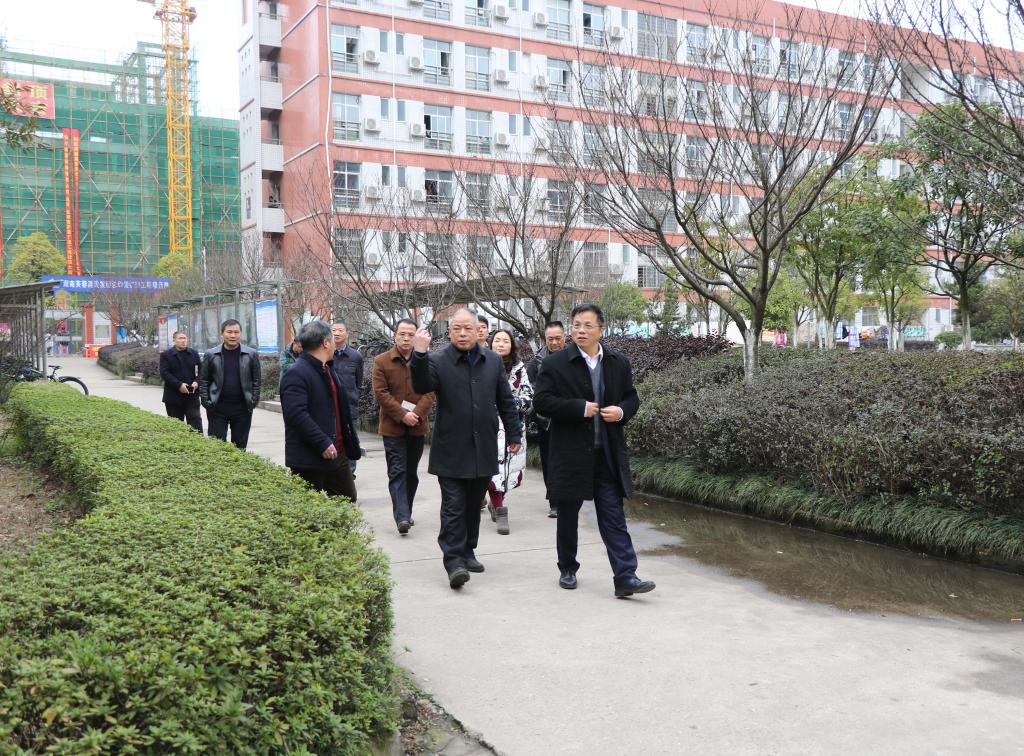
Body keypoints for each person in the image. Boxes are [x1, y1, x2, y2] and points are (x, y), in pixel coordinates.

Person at [534, 303, 655, 599]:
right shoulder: (555, 364)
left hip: (606, 454)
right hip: (571, 454)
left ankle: (625, 576)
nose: (581, 330)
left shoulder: (617, 362)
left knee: (613, 515)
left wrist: (622, 411)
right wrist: (578, 408)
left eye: (588, 325)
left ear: (602, 329)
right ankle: (567, 567)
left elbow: (632, 398)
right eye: (576, 325)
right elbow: (542, 402)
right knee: (568, 514)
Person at [411, 308, 522, 590]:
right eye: (456, 329)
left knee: (473, 505)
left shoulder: (492, 361)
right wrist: (420, 354)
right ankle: (454, 562)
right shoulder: (437, 360)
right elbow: (421, 385)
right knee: (453, 506)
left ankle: (468, 550)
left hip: (483, 446)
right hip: (451, 448)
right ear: (449, 331)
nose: (462, 334)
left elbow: (505, 400)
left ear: (479, 331)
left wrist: (514, 433)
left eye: (467, 328)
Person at [280, 320, 360, 500]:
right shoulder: (297, 372)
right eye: (331, 338)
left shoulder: (327, 368)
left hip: (337, 452)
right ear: (325, 343)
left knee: (346, 499)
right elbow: (296, 414)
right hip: (310, 455)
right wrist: (322, 442)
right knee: (309, 508)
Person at [373, 318, 435, 535]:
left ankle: (405, 509)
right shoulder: (382, 361)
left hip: (417, 426)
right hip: (392, 427)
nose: (406, 338)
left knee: (411, 473)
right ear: (395, 335)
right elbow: (381, 393)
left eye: (410, 334)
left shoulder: (426, 361)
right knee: (397, 471)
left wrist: (415, 414)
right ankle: (402, 516)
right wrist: (402, 414)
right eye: (402, 334)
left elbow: (431, 391)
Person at [485, 328, 533, 536]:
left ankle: (496, 503)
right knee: (492, 469)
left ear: (512, 345)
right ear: (490, 344)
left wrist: (510, 403)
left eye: (505, 340)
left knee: (509, 471)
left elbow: (529, 398)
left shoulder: (520, 369)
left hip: (513, 426)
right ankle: (500, 509)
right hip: (488, 426)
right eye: (497, 340)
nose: (501, 344)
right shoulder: (482, 366)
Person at [199, 319, 262, 450]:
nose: (233, 335)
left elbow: (256, 380)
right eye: (229, 332)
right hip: (217, 407)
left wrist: (253, 400)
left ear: (240, 334)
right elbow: (204, 380)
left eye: (236, 332)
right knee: (217, 447)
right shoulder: (211, 354)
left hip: (242, 408)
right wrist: (206, 402)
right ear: (222, 334)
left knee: (239, 448)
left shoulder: (251, 354)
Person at [526, 321, 566, 518]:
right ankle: (554, 502)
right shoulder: (536, 363)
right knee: (549, 461)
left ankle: (568, 498)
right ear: (545, 339)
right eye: (550, 339)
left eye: (558, 338)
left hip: (570, 419)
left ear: (565, 338)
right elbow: (531, 391)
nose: (554, 342)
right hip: (546, 421)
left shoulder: (575, 358)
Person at [331, 321, 364, 475]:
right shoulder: (325, 354)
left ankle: (350, 474)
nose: (337, 333)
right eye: (334, 330)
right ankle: (334, 473)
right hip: (330, 407)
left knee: (350, 439)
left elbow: (358, 381)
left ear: (347, 333)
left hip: (350, 407)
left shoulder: (355, 356)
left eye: (340, 330)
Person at [159, 330, 202, 432]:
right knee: (176, 427)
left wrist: (197, 382)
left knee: (196, 425)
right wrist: (179, 385)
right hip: (173, 397)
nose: (183, 341)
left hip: (192, 396)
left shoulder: (194, 353)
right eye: (180, 338)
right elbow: (165, 373)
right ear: (174, 340)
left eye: (185, 338)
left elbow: (201, 371)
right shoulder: (166, 355)